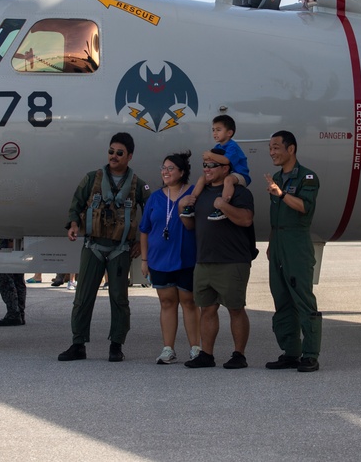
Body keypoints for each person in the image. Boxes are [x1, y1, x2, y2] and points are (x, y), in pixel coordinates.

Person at [58, 132, 149, 362]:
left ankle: (116, 345)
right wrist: (73, 224)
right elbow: (76, 204)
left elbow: (150, 215)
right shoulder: (91, 179)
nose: (114, 156)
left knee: (119, 298)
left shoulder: (138, 185)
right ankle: (78, 344)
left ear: (129, 156)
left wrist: (141, 242)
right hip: (93, 246)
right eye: (111, 152)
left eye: (119, 153)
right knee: (83, 296)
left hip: (121, 249)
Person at [180, 149, 255, 369]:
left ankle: (239, 354)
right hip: (204, 261)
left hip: (232, 260)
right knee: (207, 308)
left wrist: (224, 206)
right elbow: (192, 225)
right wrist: (181, 212)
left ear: (225, 169)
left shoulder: (240, 193)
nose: (207, 169)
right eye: (205, 165)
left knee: (235, 308)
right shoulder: (201, 193)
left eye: (212, 165)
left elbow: (246, 220)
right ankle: (207, 354)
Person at [263, 130, 322, 373]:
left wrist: (281, 193)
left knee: (303, 299)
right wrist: (271, 243)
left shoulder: (307, 177)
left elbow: (303, 207)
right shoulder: (277, 177)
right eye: (271, 148)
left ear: (291, 149)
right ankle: (290, 352)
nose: (272, 152)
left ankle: (310, 354)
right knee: (282, 299)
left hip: (296, 245)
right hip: (278, 244)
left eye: (277, 147)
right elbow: (277, 215)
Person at [139, 150, 201, 364]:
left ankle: (195, 347)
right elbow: (144, 230)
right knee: (166, 302)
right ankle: (168, 349)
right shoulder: (155, 197)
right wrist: (144, 260)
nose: (165, 172)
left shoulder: (193, 193)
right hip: (159, 259)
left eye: (170, 168)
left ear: (182, 172)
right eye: (163, 168)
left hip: (186, 257)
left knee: (189, 302)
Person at [181, 114, 251, 221]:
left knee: (228, 180)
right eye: (213, 130)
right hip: (227, 173)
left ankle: (222, 206)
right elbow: (212, 159)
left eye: (218, 130)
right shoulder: (218, 147)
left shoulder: (233, 146)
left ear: (229, 133)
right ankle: (191, 204)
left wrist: (210, 155)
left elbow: (226, 160)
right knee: (202, 179)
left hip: (239, 174)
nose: (214, 133)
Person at [0, 238, 27, 326]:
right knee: (18, 278)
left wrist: (10, 239)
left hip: (11, 238)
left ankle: (13, 314)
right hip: (19, 241)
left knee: (6, 278)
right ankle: (20, 314)